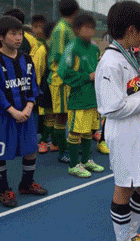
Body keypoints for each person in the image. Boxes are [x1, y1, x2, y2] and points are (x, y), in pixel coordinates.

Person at [95, 1, 140, 241]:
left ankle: (130, 233)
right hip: (124, 132)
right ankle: (123, 239)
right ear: (131, 30)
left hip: (138, 127)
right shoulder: (110, 62)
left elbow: (133, 89)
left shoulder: (125, 55)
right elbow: (111, 108)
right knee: (125, 187)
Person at [0, 15, 48, 208]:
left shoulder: (26, 59)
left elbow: (32, 86)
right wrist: (12, 111)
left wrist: (28, 107)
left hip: (25, 114)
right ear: (0, 37)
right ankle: (4, 190)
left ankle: (26, 184)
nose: (18, 38)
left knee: (30, 150)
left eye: (20, 34)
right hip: (3, 116)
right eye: (13, 34)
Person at [57, 13, 104, 178]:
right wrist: (87, 77)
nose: (90, 31)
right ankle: (73, 165)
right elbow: (63, 72)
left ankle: (86, 160)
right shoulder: (72, 48)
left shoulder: (94, 48)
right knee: (75, 132)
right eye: (86, 28)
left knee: (88, 132)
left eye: (92, 28)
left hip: (92, 98)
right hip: (78, 98)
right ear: (77, 29)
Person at [47, 0, 80, 163]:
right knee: (61, 115)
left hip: (68, 78)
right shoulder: (62, 29)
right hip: (61, 79)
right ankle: (62, 151)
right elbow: (59, 57)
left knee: (66, 115)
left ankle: (65, 145)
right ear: (76, 12)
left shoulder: (68, 28)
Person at [33, 20, 58, 153]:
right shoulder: (43, 49)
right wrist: (35, 90)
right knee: (49, 115)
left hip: (62, 87)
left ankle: (54, 142)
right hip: (47, 87)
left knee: (60, 116)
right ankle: (43, 141)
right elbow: (37, 71)